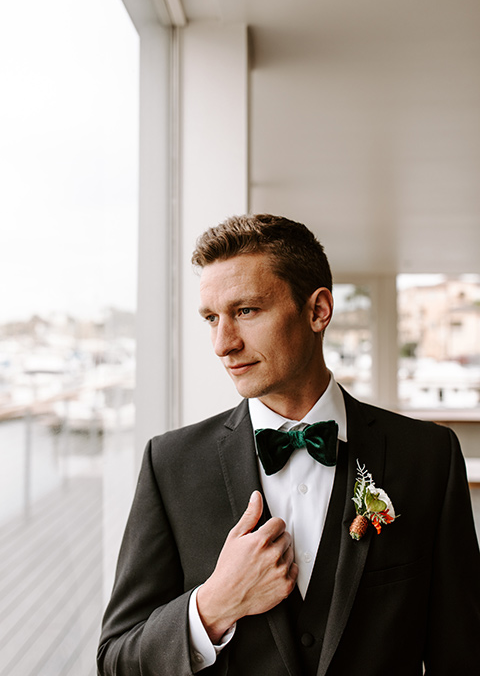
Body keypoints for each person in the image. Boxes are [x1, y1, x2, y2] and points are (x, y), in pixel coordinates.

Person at [97, 214, 480, 676]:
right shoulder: (171, 464)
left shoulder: (427, 457)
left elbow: (461, 652)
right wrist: (214, 605)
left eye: (246, 311)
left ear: (318, 310)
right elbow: (116, 661)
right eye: (211, 318)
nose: (223, 344)